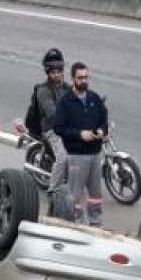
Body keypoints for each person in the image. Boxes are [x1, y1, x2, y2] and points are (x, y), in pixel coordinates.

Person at [53, 61, 108, 226]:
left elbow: (103, 119)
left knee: (96, 193)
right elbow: (58, 127)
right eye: (80, 78)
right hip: (77, 155)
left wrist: (101, 131)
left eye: (86, 77)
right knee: (74, 195)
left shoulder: (94, 98)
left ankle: (95, 222)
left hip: (95, 154)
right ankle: (72, 222)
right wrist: (79, 134)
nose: (84, 81)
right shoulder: (65, 102)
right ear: (73, 78)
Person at [24, 47, 69, 194]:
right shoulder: (43, 91)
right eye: (53, 72)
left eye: (59, 71)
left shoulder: (66, 87)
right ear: (48, 73)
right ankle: (54, 190)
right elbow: (52, 112)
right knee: (62, 158)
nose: (57, 75)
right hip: (50, 128)